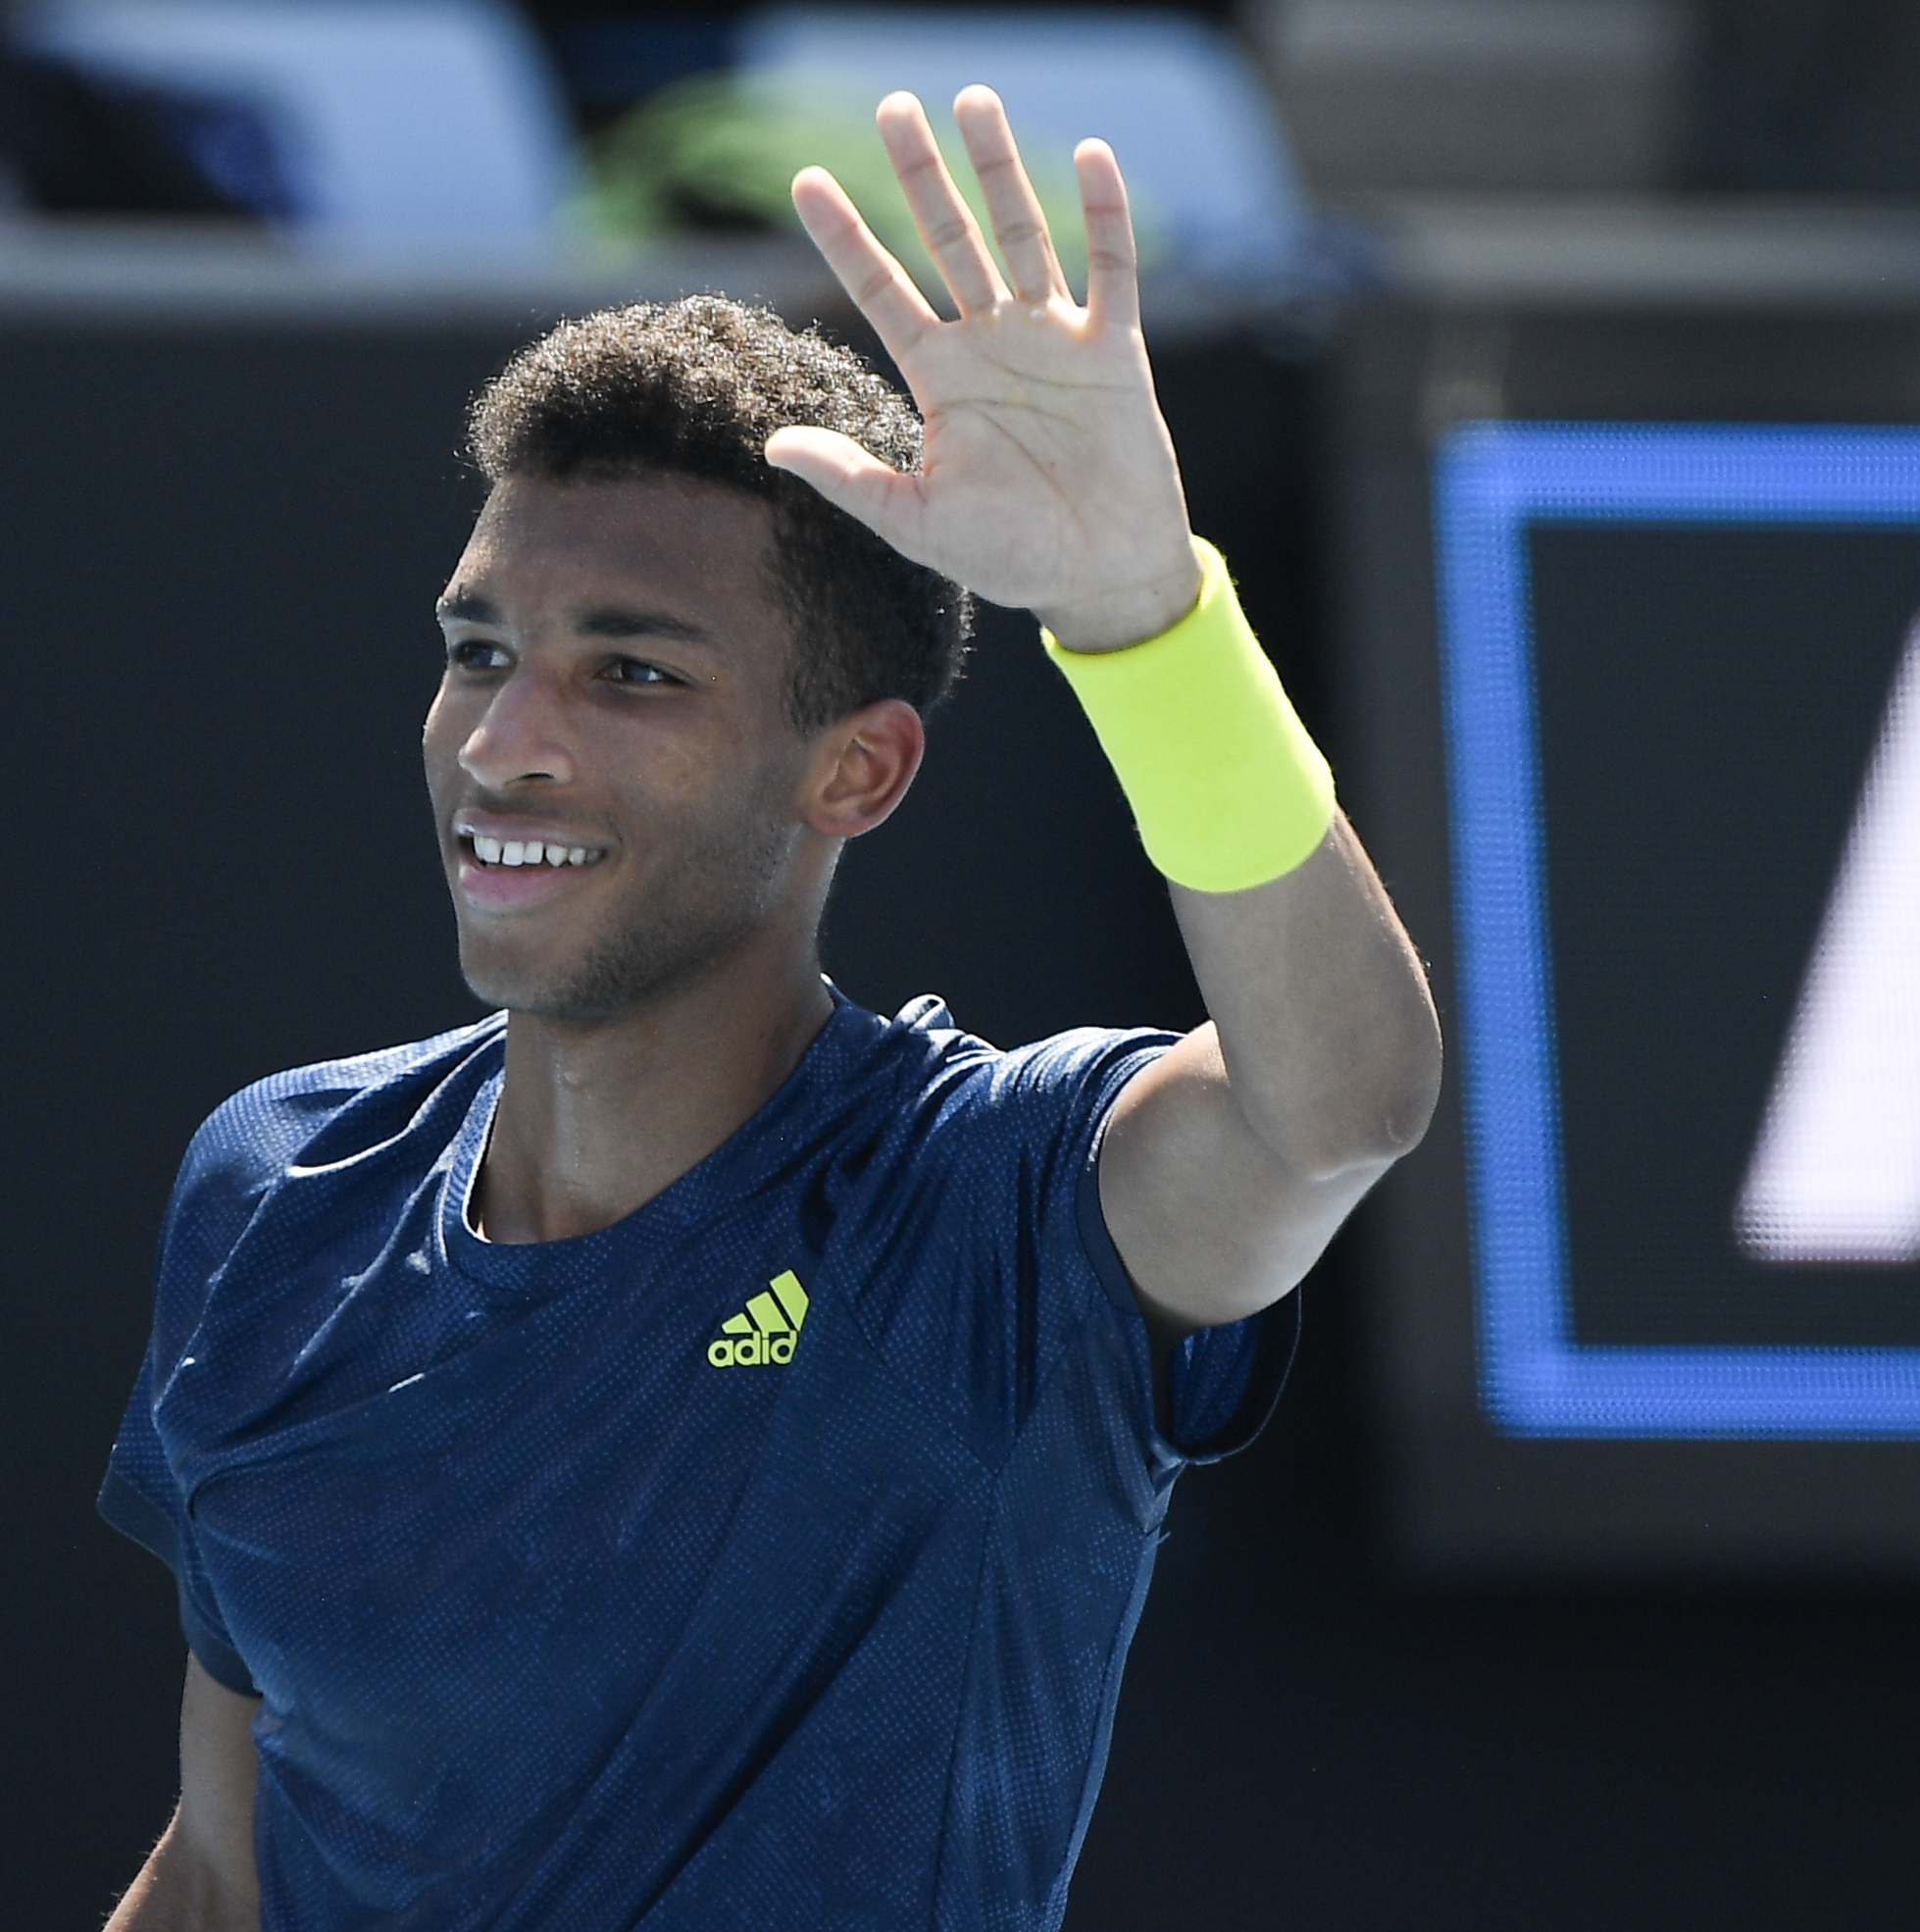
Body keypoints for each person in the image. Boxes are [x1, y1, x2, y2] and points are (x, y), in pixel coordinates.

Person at [97, 85, 1440, 1930]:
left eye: (628, 671)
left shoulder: (988, 1215)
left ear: (855, 775)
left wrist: (1147, 622)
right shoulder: (274, 1187)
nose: (506, 746)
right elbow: (227, 1865)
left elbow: (1334, 1102)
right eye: (481, 653)